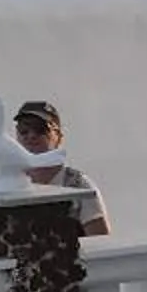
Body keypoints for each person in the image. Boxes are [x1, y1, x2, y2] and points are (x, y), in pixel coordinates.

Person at [12, 100, 110, 237]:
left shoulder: (79, 186)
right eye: (24, 130)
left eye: (41, 129)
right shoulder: (8, 184)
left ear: (58, 137)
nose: (31, 135)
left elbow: (99, 243)